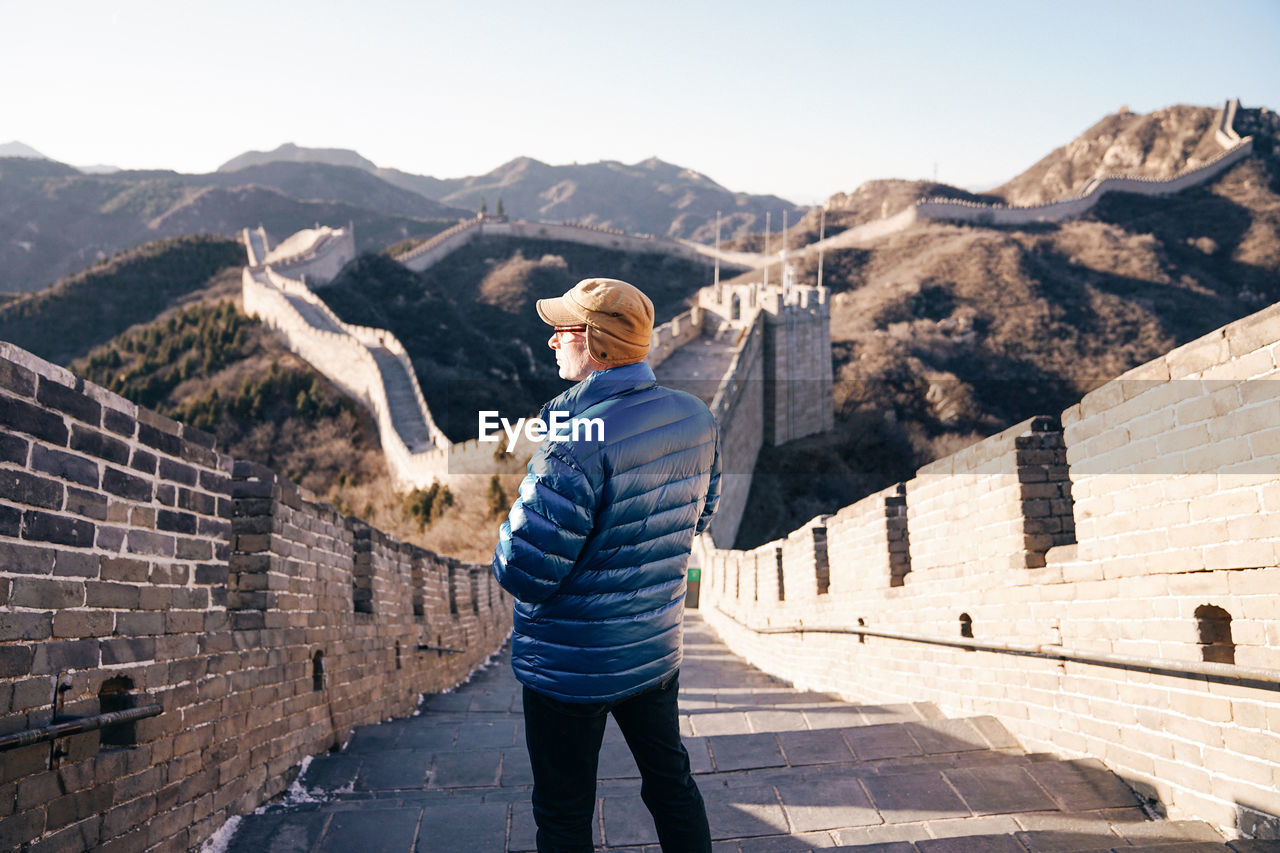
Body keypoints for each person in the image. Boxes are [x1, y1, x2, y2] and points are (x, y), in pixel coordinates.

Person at [492, 277, 720, 852]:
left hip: (572, 665)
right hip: (654, 648)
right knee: (672, 785)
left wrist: (516, 512)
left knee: (565, 814)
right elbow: (700, 517)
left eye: (562, 330)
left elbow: (524, 570)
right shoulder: (694, 416)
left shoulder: (574, 439)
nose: (552, 342)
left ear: (593, 342)